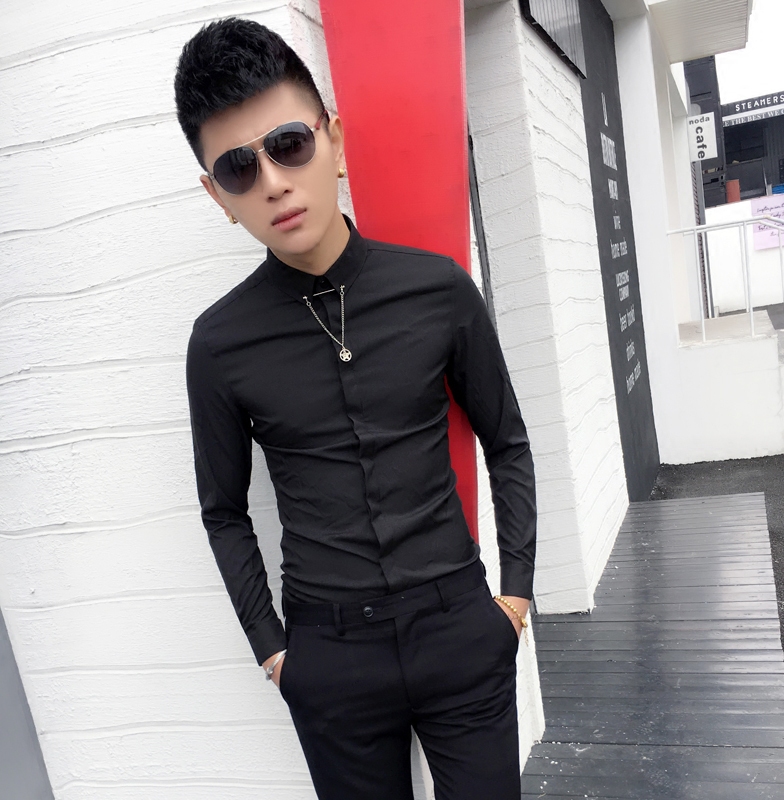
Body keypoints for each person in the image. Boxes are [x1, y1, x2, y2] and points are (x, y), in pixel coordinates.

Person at [175, 17, 536, 800]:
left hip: (460, 631)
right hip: (329, 660)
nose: (273, 181)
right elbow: (223, 512)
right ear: (217, 195)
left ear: (332, 140)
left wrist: (514, 597)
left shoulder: (437, 290)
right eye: (238, 167)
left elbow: (507, 441)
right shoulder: (220, 344)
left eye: (288, 144)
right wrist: (274, 651)